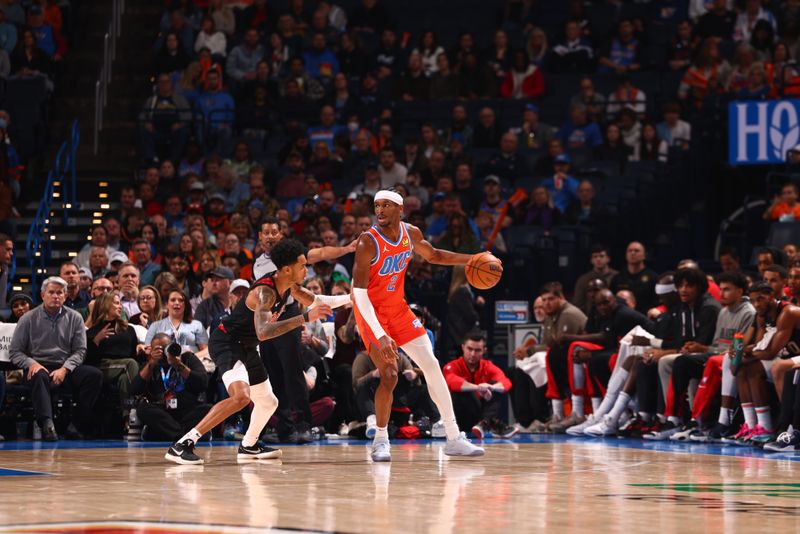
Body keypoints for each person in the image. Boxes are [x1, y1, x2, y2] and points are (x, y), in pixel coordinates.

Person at [164, 239, 345, 464]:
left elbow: (319, 301)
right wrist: (306, 317)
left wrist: (356, 299)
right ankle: (183, 445)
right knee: (241, 397)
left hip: (246, 345)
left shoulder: (289, 286)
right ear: (287, 269)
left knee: (268, 402)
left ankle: (249, 445)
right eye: (302, 265)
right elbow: (263, 332)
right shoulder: (265, 292)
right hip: (227, 342)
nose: (306, 269)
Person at [351, 188, 491, 461]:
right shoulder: (367, 242)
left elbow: (435, 255)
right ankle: (380, 439)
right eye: (377, 206)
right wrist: (379, 335)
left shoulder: (410, 233)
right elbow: (359, 294)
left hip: (399, 310)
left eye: (386, 205)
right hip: (371, 314)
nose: (379, 211)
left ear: (400, 209)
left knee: (431, 364)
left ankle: (453, 437)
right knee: (389, 375)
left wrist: (471, 259)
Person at [9, 277, 100, 441]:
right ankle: (47, 424)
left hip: (65, 366)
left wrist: (65, 369)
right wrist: (32, 363)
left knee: (94, 375)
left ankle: (76, 425)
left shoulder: (75, 317)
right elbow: (15, 352)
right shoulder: (27, 318)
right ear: (43, 295)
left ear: (65, 296)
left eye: (60, 293)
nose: (56, 296)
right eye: (51, 292)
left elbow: (80, 351)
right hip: (38, 366)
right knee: (39, 375)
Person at [132, 333, 211, 441]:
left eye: (167, 347)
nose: (164, 352)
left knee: (208, 409)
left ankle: (168, 433)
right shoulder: (150, 364)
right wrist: (151, 363)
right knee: (143, 408)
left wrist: (179, 365)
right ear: (151, 350)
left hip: (187, 409)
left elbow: (203, 383)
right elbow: (134, 389)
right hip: (163, 411)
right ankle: (183, 436)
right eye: (159, 349)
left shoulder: (187, 358)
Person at [443, 331, 516, 439]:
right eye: (469, 349)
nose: (472, 354)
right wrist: (479, 388)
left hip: (479, 416)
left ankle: (484, 423)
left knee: (495, 386)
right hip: (460, 416)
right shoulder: (451, 366)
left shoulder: (488, 366)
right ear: (463, 347)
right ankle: (491, 423)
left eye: (477, 350)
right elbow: (452, 382)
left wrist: (491, 387)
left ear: (484, 351)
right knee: (463, 390)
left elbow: (506, 383)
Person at [85, 292, 141, 414]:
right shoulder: (93, 331)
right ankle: (136, 410)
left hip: (126, 367)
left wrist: (140, 349)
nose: (120, 306)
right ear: (105, 305)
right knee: (130, 364)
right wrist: (96, 341)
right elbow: (88, 359)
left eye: (120, 303)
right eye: (116, 303)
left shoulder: (129, 329)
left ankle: (128, 418)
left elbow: (132, 355)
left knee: (124, 379)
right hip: (101, 367)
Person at [610, 242, 659, 313]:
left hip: (645, 318)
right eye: (630, 251)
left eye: (637, 251)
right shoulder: (617, 278)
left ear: (644, 255)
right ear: (626, 255)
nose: (633, 253)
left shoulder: (653, 278)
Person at [573, 245, 619, 312]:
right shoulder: (583, 279)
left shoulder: (617, 276)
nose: (598, 259)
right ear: (591, 260)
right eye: (595, 256)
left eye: (601, 256)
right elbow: (578, 303)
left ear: (608, 259)